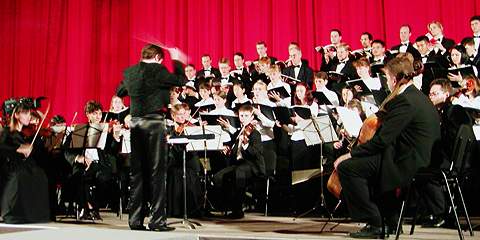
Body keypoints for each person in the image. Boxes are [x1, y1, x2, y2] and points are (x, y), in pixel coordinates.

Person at [334, 55, 440, 238]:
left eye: (388, 77)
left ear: (395, 78)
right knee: (373, 164)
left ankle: (375, 222)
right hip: (417, 156)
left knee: (348, 168)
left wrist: (352, 154)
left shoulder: (406, 101)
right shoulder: (416, 96)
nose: (387, 82)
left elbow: (382, 140)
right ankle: (390, 222)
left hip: (409, 160)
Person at [116, 43, 186, 231]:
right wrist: (177, 59)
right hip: (154, 124)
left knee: (137, 173)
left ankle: (135, 220)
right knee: (157, 172)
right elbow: (180, 79)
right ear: (157, 58)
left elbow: (120, 92)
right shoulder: (158, 69)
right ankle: (157, 221)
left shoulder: (130, 72)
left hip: (136, 124)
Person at [0, 100, 50, 223]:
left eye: (29, 113)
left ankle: (33, 213)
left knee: (40, 174)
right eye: (25, 113)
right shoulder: (8, 132)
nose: (29, 116)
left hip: (22, 166)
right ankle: (14, 212)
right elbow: (2, 148)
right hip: (9, 167)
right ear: (16, 115)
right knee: (22, 176)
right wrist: (18, 149)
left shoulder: (23, 134)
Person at [213, 104, 265, 219]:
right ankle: (225, 206)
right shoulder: (239, 132)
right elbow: (235, 153)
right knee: (218, 176)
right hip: (239, 165)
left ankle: (238, 210)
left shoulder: (255, 133)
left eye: (246, 115)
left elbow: (256, 153)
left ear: (252, 117)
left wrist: (246, 145)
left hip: (253, 166)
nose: (243, 118)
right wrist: (227, 151)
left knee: (239, 172)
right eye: (241, 115)